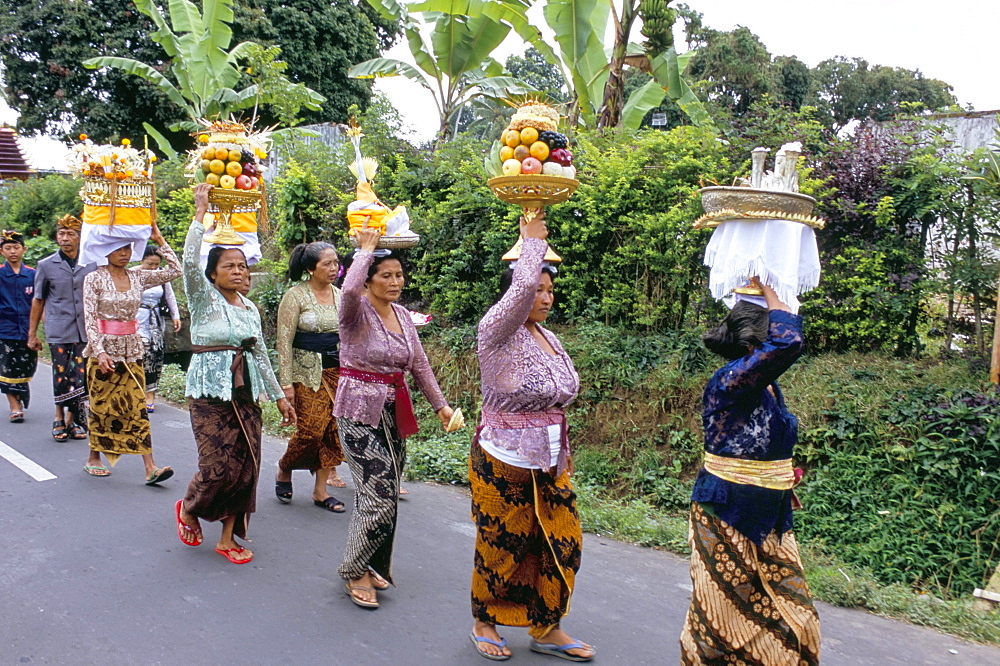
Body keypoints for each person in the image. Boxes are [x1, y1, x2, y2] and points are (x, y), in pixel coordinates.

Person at [468, 211, 593, 662]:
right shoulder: (496, 332)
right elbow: (520, 289)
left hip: (551, 459)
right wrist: (530, 242)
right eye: (537, 289)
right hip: (503, 457)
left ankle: (546, 626)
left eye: (549, 290)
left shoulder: (548, 337)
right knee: (503, 543)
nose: (545, 297)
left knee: (563, 541)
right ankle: (485, 619)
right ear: (515, 294)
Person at [679, 282, 821, 664]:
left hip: (770, 515)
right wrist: (775, 293)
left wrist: (780, 474)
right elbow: (788, 344)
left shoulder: (768, 387)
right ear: (751, 348)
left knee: (796, 618)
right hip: (725, 514)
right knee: (722, 622)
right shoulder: (727, 382)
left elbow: (764, 442)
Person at [174, 184, 295, 565]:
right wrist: (200, 212)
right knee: (217, 468)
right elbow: (189, 262)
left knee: (246, 468)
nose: (239, 271)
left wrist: (279, 396)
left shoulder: (250, 310)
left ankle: (228, 538)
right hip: (209, 393)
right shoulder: (202, 297)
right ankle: (190, 507)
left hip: (244, 396)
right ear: (212, 275)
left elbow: (260, 353)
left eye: (242, 265)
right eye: (229, 265)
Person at [334, 224, 454, 609]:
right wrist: (365, 251)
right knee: (379, 492)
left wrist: (441, 405)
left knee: (383, 494)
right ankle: (353, 569)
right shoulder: (355, 311)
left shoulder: (402, 315)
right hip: (357, 412)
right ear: (368, 279)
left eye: (399, 274)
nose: (395, 281)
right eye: (386, 275)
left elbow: (419, 365)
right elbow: (348, 289)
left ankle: (371, 564)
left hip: (392, 411)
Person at [81, 220, 180, 482]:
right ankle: (94, 457)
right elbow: (90, 318)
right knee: (102, 404)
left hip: (131, 349)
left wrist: (159, 240)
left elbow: (175, 270)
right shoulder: (94, 278)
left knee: (137, 405)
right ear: (106, 250)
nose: (124, 253)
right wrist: (100, 351)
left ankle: (150, 467)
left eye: (127, 248)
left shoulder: (138, 276)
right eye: (118, 248)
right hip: (102, 350)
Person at [274, 241, 346, 512]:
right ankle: (285, 466)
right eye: (327, 263)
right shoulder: (295, 296)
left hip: (337, 372)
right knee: (310, 431)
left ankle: (320, 491)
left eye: (335, 262)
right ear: (310, 268)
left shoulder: (340, 295)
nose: (333, 268)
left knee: (332, 430)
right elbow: (284, 340)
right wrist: (286, 383)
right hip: (306, 374)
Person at [28, 215, 97, 441]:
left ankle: (73, 419)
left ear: (80, 237)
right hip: (59, 329)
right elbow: (38, 299)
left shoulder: (92, 263)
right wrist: (32, 334)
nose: (65, 238)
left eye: (70, 234)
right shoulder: (46, 265)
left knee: (80, 375)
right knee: (61, 375)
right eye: (61, 234)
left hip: (85, 329)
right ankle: (58, 416)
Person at [136, 245, 182, 412]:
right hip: (137, 319)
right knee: (141, 354)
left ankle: (150, 394)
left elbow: (169, 296)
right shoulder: (133, 274)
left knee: (155, 356)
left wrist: (175, 315)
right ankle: (138, 391)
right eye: (150, 264)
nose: (153, 268)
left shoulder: (161, 274)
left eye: (156, 264)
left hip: (155, 320)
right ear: (142, 260)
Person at [0, 230, 37, 422]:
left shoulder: (33, 275)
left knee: (26, 367)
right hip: (5, 329)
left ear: (24, 249)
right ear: (2, 251)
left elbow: (40, 302)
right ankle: (13, 406)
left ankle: (20, 398)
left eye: (16, 247)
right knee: (7, 368)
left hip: (27, 328)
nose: (13, 251)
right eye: (8, 248)